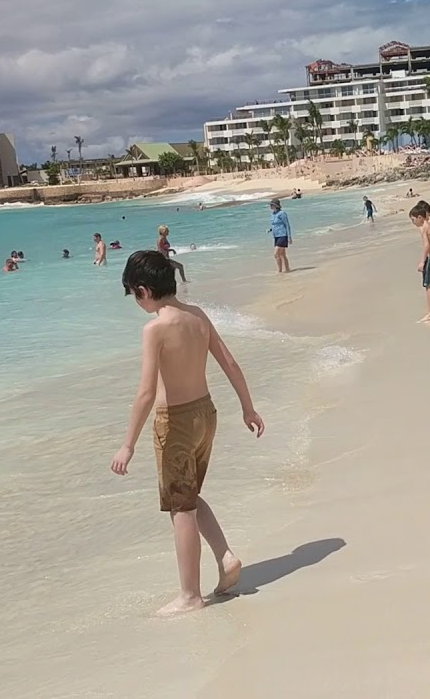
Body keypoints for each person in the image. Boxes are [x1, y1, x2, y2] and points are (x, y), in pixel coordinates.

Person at [110, 250, 265, 616]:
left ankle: (190, 595)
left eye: (134, 294)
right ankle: (225, 557)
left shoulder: (156, 329)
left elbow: (146, 391)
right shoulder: (197, 316)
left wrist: (127, 444)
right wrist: (248, 407)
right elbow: (229, 361)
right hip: (205, 414)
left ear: (144, 290)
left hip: (175, 423)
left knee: (180, 507)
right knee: (189, 495)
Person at [268, 198, 292, 273]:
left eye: (271, 205)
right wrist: (270, 229)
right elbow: (275, 225)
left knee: (276, 254)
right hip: (276, 236)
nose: (270, 207)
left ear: (276, 206)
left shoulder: (282, 214)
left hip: (283, 235)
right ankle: (287, 269)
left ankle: (279, 271)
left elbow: (287, 225)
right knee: (282, 255)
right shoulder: (273, 214)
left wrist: (289, 237)